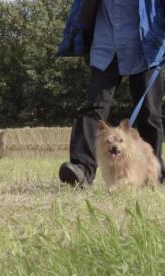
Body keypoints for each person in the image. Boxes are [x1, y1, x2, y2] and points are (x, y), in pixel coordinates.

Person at [56, 0, 165, 187]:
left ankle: (152, 173)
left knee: (150, 113)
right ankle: (81, 170)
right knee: (92, 110)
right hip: (105, 46)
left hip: (145, 47)